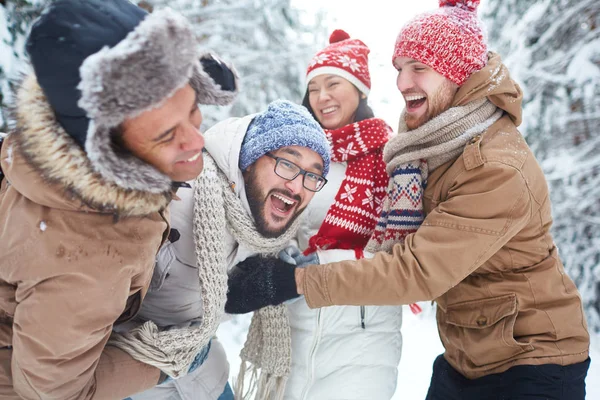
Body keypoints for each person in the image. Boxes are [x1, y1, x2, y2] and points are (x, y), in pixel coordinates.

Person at [225, 1, 592, 399]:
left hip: (532, 361)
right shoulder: (427, 146)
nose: (401, 82)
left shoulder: (494, 166)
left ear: (458, 74)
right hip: (469, 354)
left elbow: (416, 270)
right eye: (399, 67)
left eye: (419, 67)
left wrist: (295, 280)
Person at [0, 0, 237, 398]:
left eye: (193, 109)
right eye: (165, 135)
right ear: (109, 153)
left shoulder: (61, 143)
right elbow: (54, 392)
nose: (198, 140)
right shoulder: (85, 256)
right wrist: (160, 364)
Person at [111, 99, 331, 400]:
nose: (297, 186)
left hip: (203, 375)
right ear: (250, 160)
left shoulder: (268, 227)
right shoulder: (176, 198)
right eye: (287, 164)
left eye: (312, 175)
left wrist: (256, 285)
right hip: (130, 377)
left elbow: (213, 298)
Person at [278, 29, 403, 400]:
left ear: (360, 89)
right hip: (296, 316)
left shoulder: (391, 157)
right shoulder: (299, 153)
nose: (322, 97)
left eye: (333, 83)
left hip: (364, 327)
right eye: (314, 88)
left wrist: (319, 259)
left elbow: (399, 249)